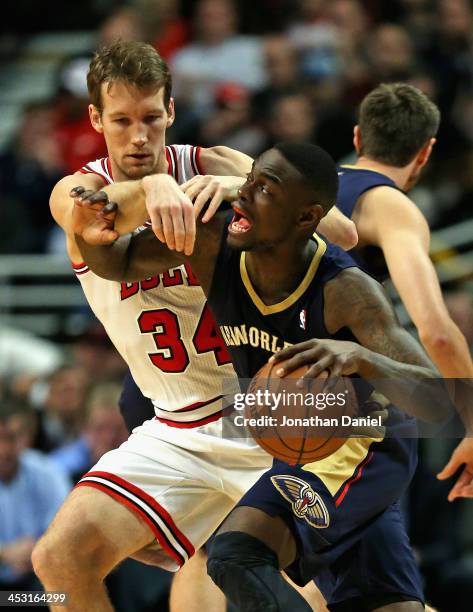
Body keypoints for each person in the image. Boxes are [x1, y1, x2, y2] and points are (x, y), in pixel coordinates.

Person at [32, 41, 355, 611]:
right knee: (58, 560)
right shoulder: (74, 190)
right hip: (178, 428)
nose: (139, 137)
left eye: (152, 119)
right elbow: (86, 212)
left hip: (273, 414)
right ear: (94, 120)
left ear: (172, 112)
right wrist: (153, 188)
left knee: (340, 599)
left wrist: (243, 189)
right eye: (122, 121)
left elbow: (343, 232)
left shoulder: (216, 163)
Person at [71, 141, 451, 611]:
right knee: (386, 605)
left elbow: (437, 400)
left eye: (264, 190)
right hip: (302, 443)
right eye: (248, 181)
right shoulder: (214, 242)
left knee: (238, 554)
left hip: (364, 441)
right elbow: (121, 263)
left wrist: (363, 358)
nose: (243, 196)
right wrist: (89, 234)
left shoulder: (348, 292)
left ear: (305, 218)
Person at [333, 82, 473, 502]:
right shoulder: (391, 207)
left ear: (358, 138)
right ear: (425, 152)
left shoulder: (305, 182)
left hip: (253, 384)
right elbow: (436, 332)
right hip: (336, 401)